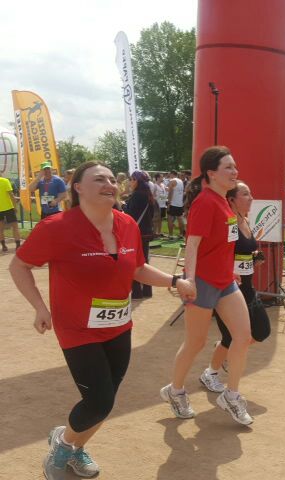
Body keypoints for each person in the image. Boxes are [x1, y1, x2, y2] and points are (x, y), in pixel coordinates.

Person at [9, 161, 195, 480]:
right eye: (98, 179)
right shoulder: (56, 227)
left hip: (119, 326)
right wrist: (40, 307)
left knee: (105, 402)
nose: (109, 183)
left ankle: (75, 447)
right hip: (77, 329)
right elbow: (19, 266)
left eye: (111, 178)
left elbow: (138, 268)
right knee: (98, 401)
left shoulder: (127, 224)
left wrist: (175, 281)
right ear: (78, 187)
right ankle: (62, 445)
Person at [161, 146, 254, 426]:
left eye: (235, 166)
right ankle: (175, 390)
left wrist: (230, 270)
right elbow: (192, 244)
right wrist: (189, 279)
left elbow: (223, 244)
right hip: (202, 282)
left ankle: (231, 395)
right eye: (228, 167)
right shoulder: (205, 202)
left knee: (243, 337)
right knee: (196, 342)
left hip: (225, 282)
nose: (235, 171)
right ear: (211, 173)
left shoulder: (224, 201)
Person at [200, 180, 271, 394]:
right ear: (231, 199)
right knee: (230, 337)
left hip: (247, 288)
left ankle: (224, 351)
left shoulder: (245, 220)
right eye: (245, 194)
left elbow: (243, 252)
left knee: (262, 331)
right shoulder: (227, 224)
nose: (251, 198)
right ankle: (210, 374)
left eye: (250, 193)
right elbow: (218, 253)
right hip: (227, 291)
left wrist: (254, 257)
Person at [124, 170, 155, 299]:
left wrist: (124, 207)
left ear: (137, 181)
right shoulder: (148, 194)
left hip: (136, 232)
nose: (130, 182)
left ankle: (137, 291)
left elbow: (130, 215)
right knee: (144, 261)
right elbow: (152, 214)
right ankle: (147, 290)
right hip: (146, 231)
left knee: (134, 261)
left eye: (132, 179)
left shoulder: (137, 195)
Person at [0, 172, 20, 252]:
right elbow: (11, 195)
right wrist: (15, 207)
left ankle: (4, 246)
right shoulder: (5, 181)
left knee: (0, 229)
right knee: (15, 227)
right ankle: (18, 245)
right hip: (8, 208)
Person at [167, 170, 185, 239]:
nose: (169, 176)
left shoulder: (172, 181)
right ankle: (181, 234)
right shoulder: (181, 181)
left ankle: (170, 235)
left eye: (170, 174)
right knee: (180, 218)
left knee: (170, 219)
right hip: (180, 203)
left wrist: (169, 203)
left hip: (173, 203)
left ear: (172, 174)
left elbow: (170, 193)